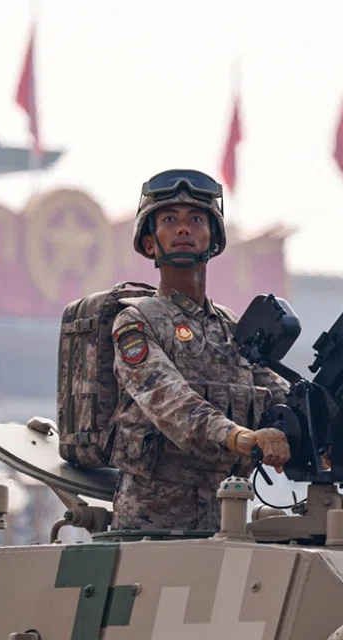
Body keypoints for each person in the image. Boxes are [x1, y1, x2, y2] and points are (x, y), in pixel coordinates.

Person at [107, 168, 292, 531]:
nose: (183, 229)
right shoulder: (135, 321)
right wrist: (240, 437)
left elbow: (278, 398)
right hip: (152, 526)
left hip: (229, 517)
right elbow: (169, 401)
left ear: (214, 240)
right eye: (169, 220)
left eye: (196, 219)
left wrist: (327, 448)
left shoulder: (232, 328)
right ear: (149, 243)